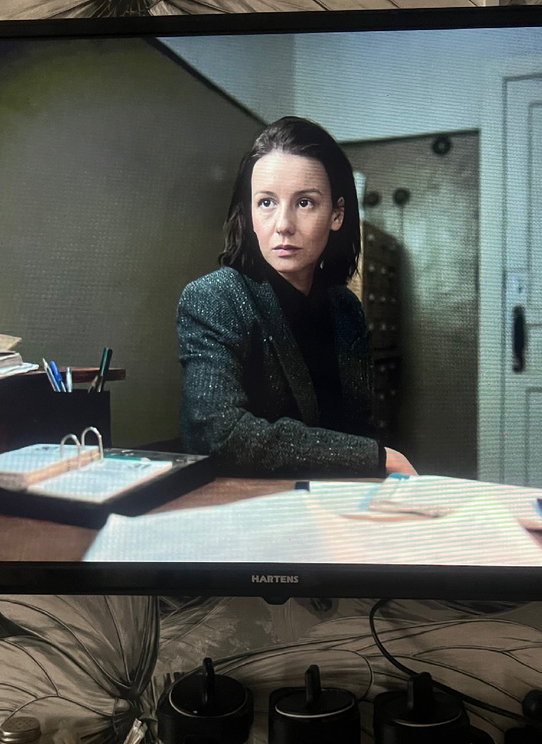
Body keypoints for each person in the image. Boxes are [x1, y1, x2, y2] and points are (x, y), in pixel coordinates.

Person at [177, 116, 416, 478]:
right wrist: (374, 457)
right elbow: (219, 435)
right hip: (250, 502)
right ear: (249, 214)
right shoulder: (214, 298)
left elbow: (358, 427)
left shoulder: (345, 308)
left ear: (336, 214)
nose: (283, 225)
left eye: (304, 203)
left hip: (334, 498)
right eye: (266, 203)